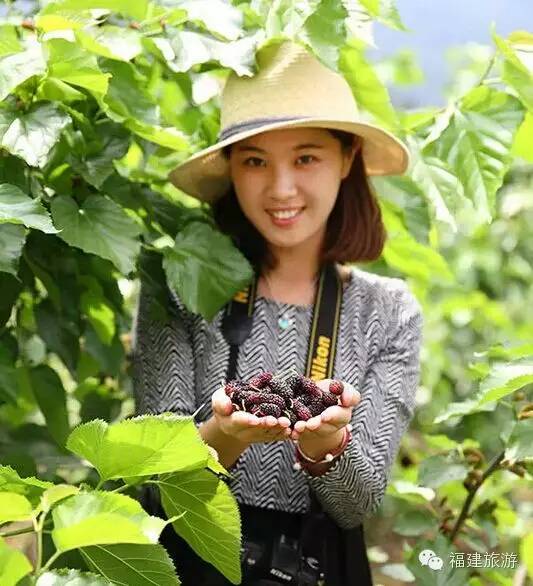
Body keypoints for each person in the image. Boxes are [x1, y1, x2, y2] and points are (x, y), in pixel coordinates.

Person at [132, 40, 424, 586]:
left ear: (347, 158)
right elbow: (157, 484)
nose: (281, 188)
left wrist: (324, 446)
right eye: (255, 161)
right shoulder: (181, 286)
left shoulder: (388, 313)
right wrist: (224, 433)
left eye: (306, 157)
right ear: (231, 169)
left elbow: (356, 506)